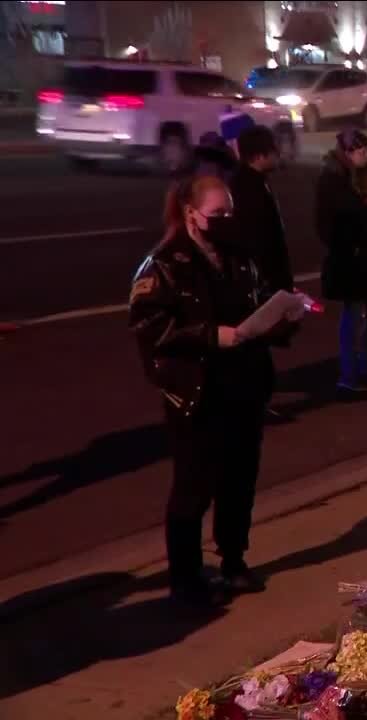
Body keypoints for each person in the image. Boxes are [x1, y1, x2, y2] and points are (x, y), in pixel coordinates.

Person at [129, 175, 292, 606]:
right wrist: (209, 335)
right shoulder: (164, 263)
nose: (224, 221)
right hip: (196, 391)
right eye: (216, 214)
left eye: (229, 213)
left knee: (240, 479)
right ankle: (184, 579)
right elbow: (150, 326)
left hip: (244, 384)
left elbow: (257, 303)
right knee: (194, 486)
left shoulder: (238, 256)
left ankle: (233, 560)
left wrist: (280, 317)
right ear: (190, 214)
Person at [318, 129, 367, 391]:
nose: (366, 155)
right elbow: (325, 223)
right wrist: (349, 246)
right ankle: (349, 374)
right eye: (360, 151)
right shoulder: (333, 180)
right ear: (346, 153)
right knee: (353, 314)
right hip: (349, 258)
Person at [228, 125, 293, 295]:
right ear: (259, 156)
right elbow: (259, 239)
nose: (277, 154)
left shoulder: (254, 181)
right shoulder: (248, 188)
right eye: (272, 150)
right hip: (266, 284)